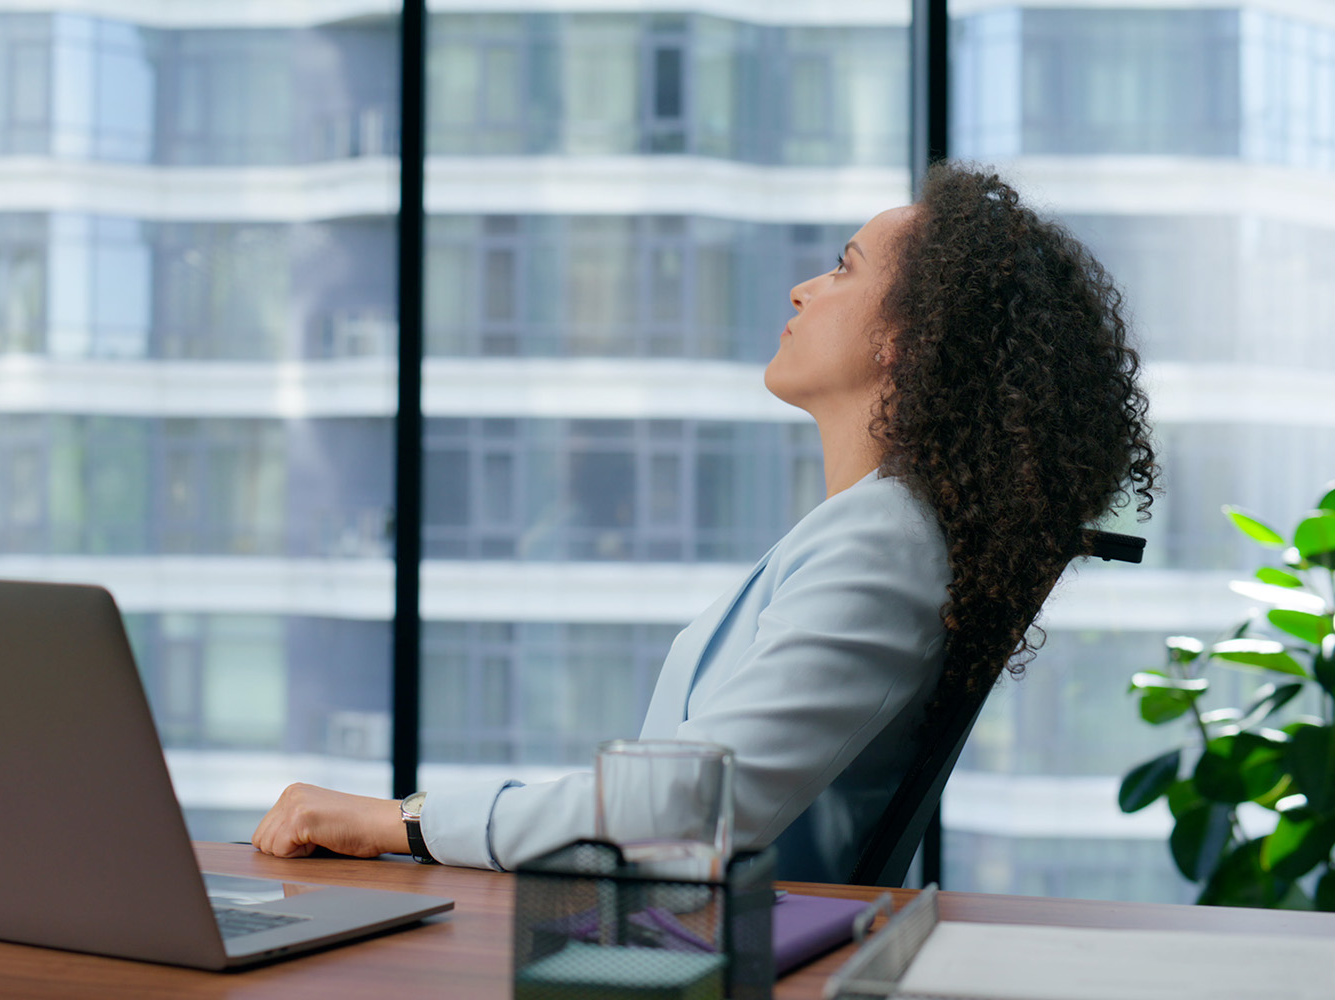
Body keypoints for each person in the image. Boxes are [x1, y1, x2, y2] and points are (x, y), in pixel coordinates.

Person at [251, 163, 1159, 881]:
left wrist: (398, 821)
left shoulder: (885, 541)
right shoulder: (878, 530)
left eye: (844, 267)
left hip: (709, 954)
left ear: (908, 341)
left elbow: (688, 806)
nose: (804, 289)